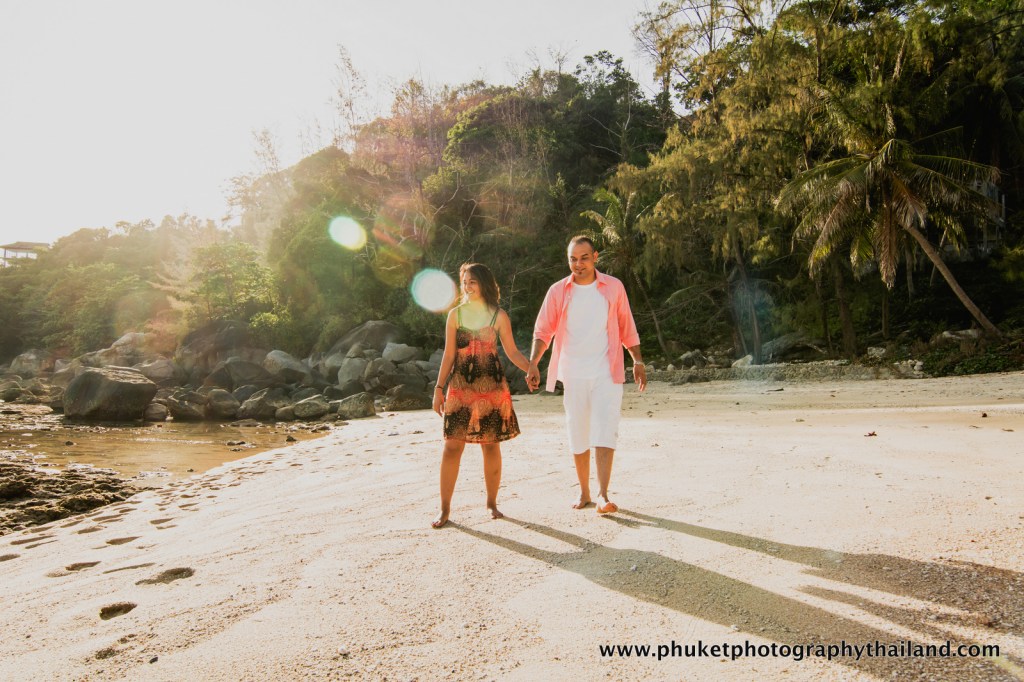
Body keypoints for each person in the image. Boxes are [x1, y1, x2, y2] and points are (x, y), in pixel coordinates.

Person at [525, 236, 646, 514]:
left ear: (595, 257)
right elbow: (543, 330)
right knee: (577, 431)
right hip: (573, 373)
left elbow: (627, 326)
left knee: (605, 428)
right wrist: (534, 363)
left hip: (607, 371)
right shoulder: (558, 291)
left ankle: (603, 495)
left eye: (584, 258)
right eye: (572, 259)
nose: (578, 264)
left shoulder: (613, 287)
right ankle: (584, 492)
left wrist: (637, 359)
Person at [432, 263, 532, 529]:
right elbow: (449, 355)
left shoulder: (498, 316)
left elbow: (511, 352)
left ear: (484, 283)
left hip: (493, 389)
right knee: (452, 446)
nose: (467, 286)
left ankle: (491, 503)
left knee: (491, 445)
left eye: (473, 281)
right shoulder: (455, 315)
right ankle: (444, 509)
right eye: (464, 281)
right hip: (460, 388)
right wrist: (438, 389)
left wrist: (531, 367)